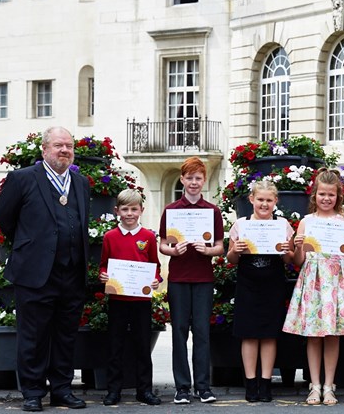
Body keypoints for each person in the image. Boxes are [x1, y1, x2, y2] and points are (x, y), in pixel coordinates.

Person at [0, 126, 91, 412]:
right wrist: (33, 247)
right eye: (58, 145)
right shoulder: (22, 179)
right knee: (33, 336)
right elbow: (5, 220)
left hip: (71, 273)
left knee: (65, 335)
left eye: (69, 146)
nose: (64, 150)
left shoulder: (80, 182)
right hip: (35, 273)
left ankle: (62, 389)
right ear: (45, 149)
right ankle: (33, 392)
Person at [283, 168, 344, 406]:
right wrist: (298, 246)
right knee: (314, 335)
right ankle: (314, 385)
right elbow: (298, 262)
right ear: (315, 196)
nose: (326, 199)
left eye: (331, 194)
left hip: (338, 281)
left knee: (332, 334)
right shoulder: (307, 222)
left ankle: (330, 385)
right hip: (314, 281)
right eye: (322, 194)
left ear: (338, 196)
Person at [159, 157, 225, 404]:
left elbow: (219, 246)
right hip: (178, 277)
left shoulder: (212, 211)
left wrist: (208, 251)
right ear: (182, 179)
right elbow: (163, 244)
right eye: (190, 178)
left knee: (202, 332)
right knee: (178, 332)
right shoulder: (171, 210)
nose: (194, 182)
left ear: (203, 180)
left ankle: (203, 386)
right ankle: (182, 387)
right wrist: (173, 251)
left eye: (198, 178)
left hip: (203, 278)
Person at [226, 180, 295, 403]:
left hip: (272, 285)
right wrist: (235, 250)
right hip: (248, 284)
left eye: (269, 200)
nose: (264, 204)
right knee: (248, 333)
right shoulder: (241, 224)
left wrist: (288, 251)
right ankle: (250, 383)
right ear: (251, 200)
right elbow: (231, 259)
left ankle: (265, 384)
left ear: (275, 202)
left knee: (268, 334)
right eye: (260, 200)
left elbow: (289, 259)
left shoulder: (282, 224)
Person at [98, 189, 163, 406]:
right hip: (118, 300)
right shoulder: (109, 237)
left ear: (141, 211)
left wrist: (155, 279)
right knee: (115, 346)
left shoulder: (148, 237)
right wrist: (103, 275)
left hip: (141, 301)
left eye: (134, 209)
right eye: (124, 209)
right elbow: (104, 264)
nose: (129, 214)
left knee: (142, 346)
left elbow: (155, 265)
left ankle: (144, 390)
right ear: (117, 211)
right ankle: (113, 390)